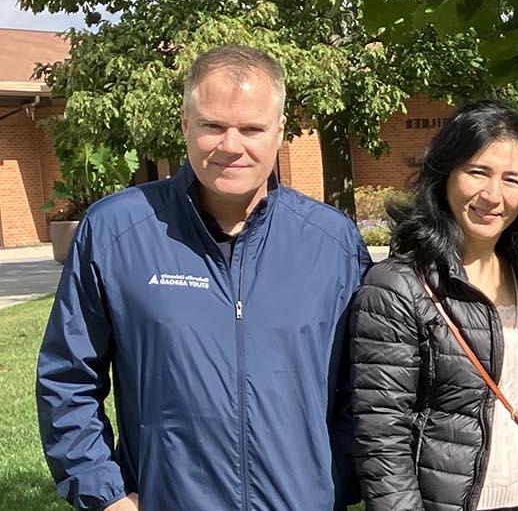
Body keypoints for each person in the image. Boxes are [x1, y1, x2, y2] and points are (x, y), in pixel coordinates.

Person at [36, 44, 370, 511]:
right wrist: (104, 493)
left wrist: (335, 477)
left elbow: (366, 386)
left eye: (251, 128)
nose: (231, 145)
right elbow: (68, 376)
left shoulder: (331, 243)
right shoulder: (116, 232)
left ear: (280, 130)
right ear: (185, 124)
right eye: (213, 125)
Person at [347, 100, 518, 511]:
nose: (493, 195)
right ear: (445, 174)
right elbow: (382, 436)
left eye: (512, 179)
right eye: (478, 172)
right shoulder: (398, 287)